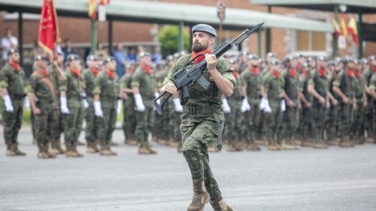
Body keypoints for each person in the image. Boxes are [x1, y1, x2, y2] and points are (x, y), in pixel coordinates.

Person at [161, 24, 234, 211]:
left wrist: (213, 70)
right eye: (194, 35)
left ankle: (199, 193)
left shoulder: (221, 63)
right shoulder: (183, 62)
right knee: (200, 160)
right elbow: (168, 80)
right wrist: (167, 87)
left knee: (190, 147)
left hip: (210, 118)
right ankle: (219, 203)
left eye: (201, 35)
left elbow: (229, 90)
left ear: (211, 40)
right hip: (187, 119)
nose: (196, 38)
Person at [27, 55, 58, 158]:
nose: (45, 63)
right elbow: (31, 92)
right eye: (42, 61)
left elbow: (53, 90)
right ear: (37, 63)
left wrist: (55, 104)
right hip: (42, 104)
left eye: (45, 61)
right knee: (42, 128)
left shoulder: (47, 75)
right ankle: (41, 150)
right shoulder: (35, 76)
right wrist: (34, 107)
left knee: (50, 127)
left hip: (50, 105)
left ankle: (46, 148)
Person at [0, 48, 26, 156]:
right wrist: (7, 102)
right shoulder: (6, 70)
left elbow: (22, 84)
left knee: (17, 124)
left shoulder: (19, 70)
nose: (18, 57)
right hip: (11, 100)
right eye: (15, 55)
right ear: (9, 57)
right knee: (9, 125)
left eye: (18, 55)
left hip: (19, 100)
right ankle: (9, 147)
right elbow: (3, 87)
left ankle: (15, 146)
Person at [131, 52, 158, 155]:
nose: (148, 59)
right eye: (145, 58)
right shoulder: (139, 72)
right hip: (143, 101)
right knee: (142, 124)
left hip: (150, 101)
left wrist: (156, 97)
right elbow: (135, 87)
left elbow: (153, 85)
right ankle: (141, 146)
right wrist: (138, 101)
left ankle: (147, 144)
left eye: (149, 57)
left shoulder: (149, 71)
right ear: (140, 60)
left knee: (149, 124)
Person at [60, 54, 85, 157]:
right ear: (69, 63)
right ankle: (69, 148)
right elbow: (63, 90)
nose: (76, 63)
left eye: (77, 61)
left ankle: (74, 146)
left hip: (79, 103)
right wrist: (63, 105)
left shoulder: (78, 75)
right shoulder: (67, 75)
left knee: (78, 126)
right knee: (70, 126)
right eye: (73, 62)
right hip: (71, 102)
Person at [48, 52, 67, 154]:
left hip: (61, 99)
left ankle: (58, 144)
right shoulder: (50, 71)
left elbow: (64, 78)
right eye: (58, 57)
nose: (61, 59)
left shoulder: (60, 70)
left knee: (60, 123)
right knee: (54, 123)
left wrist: (58, 68)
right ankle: (53, 145)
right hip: (54, 99)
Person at [82, 55, 101, 153]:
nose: (96, 63)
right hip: (90, 99)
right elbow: (82, 87)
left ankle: (95, 142)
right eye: (94, 61)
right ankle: (89, 143)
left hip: (98, 100)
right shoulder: (86, 73)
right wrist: (84, 99)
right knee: (90, 122)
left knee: (97, 122)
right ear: (88, 63)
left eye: (97, 61)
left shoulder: (99, 73)